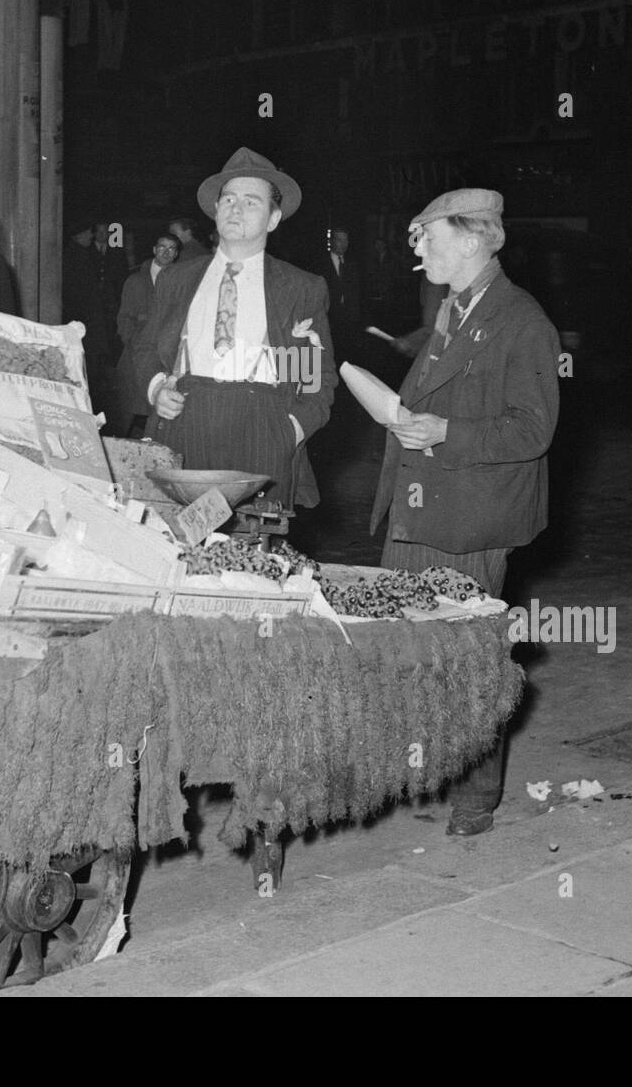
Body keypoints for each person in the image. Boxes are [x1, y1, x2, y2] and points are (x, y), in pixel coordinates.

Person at [369, 188, 560, 837]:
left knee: (470, 660)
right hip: (424, 510)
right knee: (410, 650)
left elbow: (532, 430)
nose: (419, 250)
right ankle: (427, 765)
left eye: (430, 236)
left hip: (473, 519)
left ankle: (477, 793)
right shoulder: (452, 309)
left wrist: (445, 429)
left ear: (475, 237)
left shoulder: (523, 319)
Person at [132, 147, 337, 509]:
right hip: (184, 421)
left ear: (274, 219)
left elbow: (312, 379)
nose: (235, 208)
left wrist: (288, 430)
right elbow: (147, 349)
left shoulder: (298, 288)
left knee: (253, 557)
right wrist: (156, 390)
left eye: (251, 201)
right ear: (215, 209)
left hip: (262, 429)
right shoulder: (177, 280)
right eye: (228, 199)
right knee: (178, 548)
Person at [115, 232, 181, 436]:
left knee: (160, 409)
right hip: (136, 355)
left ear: (176, 254)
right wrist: (133, 341)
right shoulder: (135, 281)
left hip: (167, 357)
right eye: (162, 247)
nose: (166, 252)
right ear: (154, 249)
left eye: (171, 248)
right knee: (128, 411)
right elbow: (123, 318)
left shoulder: (181, 282)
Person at [62, 218, 113, 404]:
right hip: (84, 319)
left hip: (84, 318)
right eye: (89, 232)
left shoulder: (76, 253)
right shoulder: (77, 256)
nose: (91, 236)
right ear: (80, 234)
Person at [324, 226, 363, 362]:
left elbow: (356, 293)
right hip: (329, 319)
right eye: (340, 240)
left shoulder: (352, 264)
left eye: (346, 240)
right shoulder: (321, 264)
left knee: (347, 357)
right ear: (332, 241)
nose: (344, 244)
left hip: (349, 320)